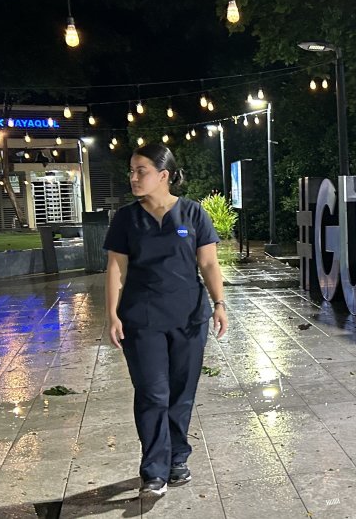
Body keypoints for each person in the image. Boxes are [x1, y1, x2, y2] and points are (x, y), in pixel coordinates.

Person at [103, 143, 229, 497]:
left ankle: (178, 460)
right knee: (152, 393)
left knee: (181, 394)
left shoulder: (193, 214)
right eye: (131, 170)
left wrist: (219, 303)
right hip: (141, 320)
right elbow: (116, 267)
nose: (133, 177)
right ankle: (154, 470)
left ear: (164, 175)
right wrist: (111, 313)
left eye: (140, 171)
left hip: (189, 317)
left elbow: (208, 264)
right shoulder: (127, 219)